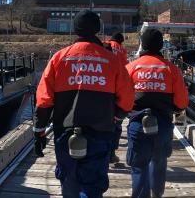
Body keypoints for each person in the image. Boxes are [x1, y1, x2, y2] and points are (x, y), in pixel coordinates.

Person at [34, 10, 135, 198]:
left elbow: (44, 99)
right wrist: (116, 117)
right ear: (97, 29)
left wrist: (39, 131)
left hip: (65, 132)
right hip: (101, 132)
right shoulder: (112, 61)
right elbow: (128, 98)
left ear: (75, 29)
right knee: (92, 185)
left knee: (68, 182)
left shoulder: (58, 58)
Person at [125, 28, 189, 198]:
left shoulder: (130, 68)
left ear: (142, 44)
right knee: (159, 162)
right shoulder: (172, 70)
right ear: (161, 45)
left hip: (138, 125)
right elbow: (182, 102)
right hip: (163, 125)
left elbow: (121, 98)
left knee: (139, 165)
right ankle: (157, 194)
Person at [104, 32, 128, 163]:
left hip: (101, 84)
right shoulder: (122, 50)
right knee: (116, 122)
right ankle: (112, 153)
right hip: (116, 84)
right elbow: (125, 67)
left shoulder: (104, 44)